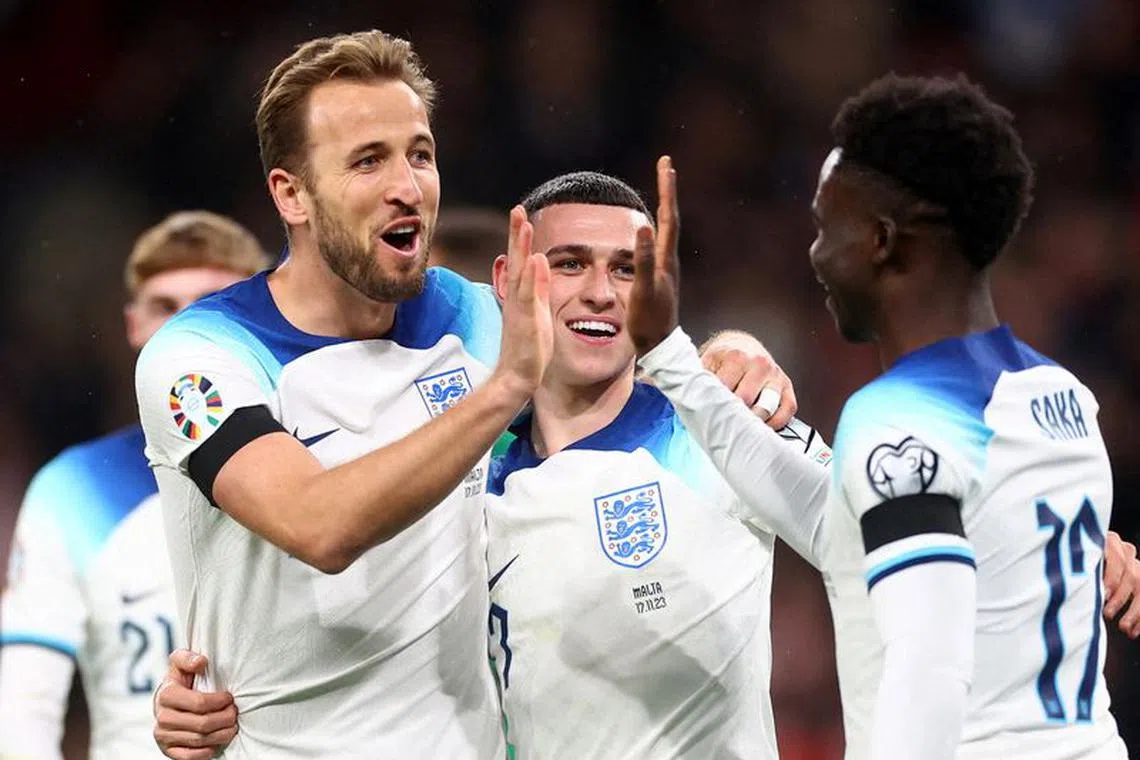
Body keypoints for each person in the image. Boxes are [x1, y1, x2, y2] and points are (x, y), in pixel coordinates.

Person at [626, 77, 1138, 759]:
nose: (814, 256)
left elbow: (929, 669)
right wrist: (671, 359)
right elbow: (833, 525)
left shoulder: (897, 421)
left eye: (824, 227)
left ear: (881, 241)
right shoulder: (1062, 397)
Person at [132, 29, 560, 760]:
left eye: (419, 154)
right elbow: (319, 526)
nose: (407, 185)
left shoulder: (479, 316)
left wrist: (724, 357)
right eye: (368, 161)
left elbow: (623, 391)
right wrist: (504, 390)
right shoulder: (199, 355)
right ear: (291, 195)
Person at [482, 164, 834, 758]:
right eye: (570, 263)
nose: (601, 292)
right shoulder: (468, 477)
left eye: (626, 269)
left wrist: (721, 355)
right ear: (508, 276)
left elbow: (864, 532)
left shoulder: (720, 425)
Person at [0, 210, 271, 760]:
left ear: (256, 318)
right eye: (163, 306)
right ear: (133, 326)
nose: (182, 325)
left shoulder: (320, 472)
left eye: (208, 303)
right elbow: (24, 705)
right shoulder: (71, 490)